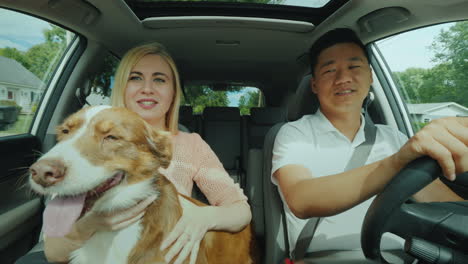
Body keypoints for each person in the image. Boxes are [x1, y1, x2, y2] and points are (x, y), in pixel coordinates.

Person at [16, 42, 251, 264]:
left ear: (173, 92)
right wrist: (89, 225)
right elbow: (54, 253)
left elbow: (240, 210)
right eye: (135, 77)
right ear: (122, 86)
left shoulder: (191, 144)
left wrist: (204, 218)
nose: (147, 89)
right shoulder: (81, 145)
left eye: (159, 80)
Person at [272, 28, 467, 258]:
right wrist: (396, 162)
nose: (343, 78)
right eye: (330, 70)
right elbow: (301, 199)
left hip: (402, 255)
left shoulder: (393, 137)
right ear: (314, 85)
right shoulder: (294, 133)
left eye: (354, 67)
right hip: (323, 258)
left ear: (371, 76)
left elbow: (438, 199)